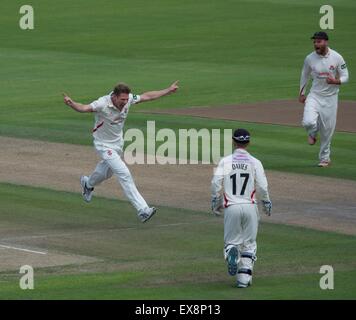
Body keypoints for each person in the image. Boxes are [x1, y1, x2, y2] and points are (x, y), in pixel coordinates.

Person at [63, 81, 179, 222]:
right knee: (124, 173)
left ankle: (88, 184)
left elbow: (147, 96)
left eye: (126, 99)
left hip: (118, 144)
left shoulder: (128, 99)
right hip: (103, 145)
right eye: (122, 99)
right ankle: (143, 209)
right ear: (115, 97)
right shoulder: (102, 103)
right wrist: (72, 104)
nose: (125, 102)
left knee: (106, 172)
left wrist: (168, 90)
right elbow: (85, 108)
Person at [211, 128, 272, 288]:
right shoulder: (255, 162)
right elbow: (263, 186)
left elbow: (216, 183)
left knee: (232, 242)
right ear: (248, 143)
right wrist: (266, 202)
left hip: (232, 207)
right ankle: (243, 279)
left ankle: (232, 251)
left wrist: (215, 200)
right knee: (250, 244)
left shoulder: (225, 161)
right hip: (250, 206)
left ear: (233, 141)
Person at [299, 31, 349, 167]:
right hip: (314, 95)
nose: (316, 44)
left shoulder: (337, 57)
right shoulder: (310, 58)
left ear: (326, 42)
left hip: (331, 98)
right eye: (314, 42)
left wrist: (336, 81)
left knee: (327, 131)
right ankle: (313, 133)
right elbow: (304, 74)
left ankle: (324, 158)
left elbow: (346, 76)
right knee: (308, 121)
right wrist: (302, 92)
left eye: (319, 41)